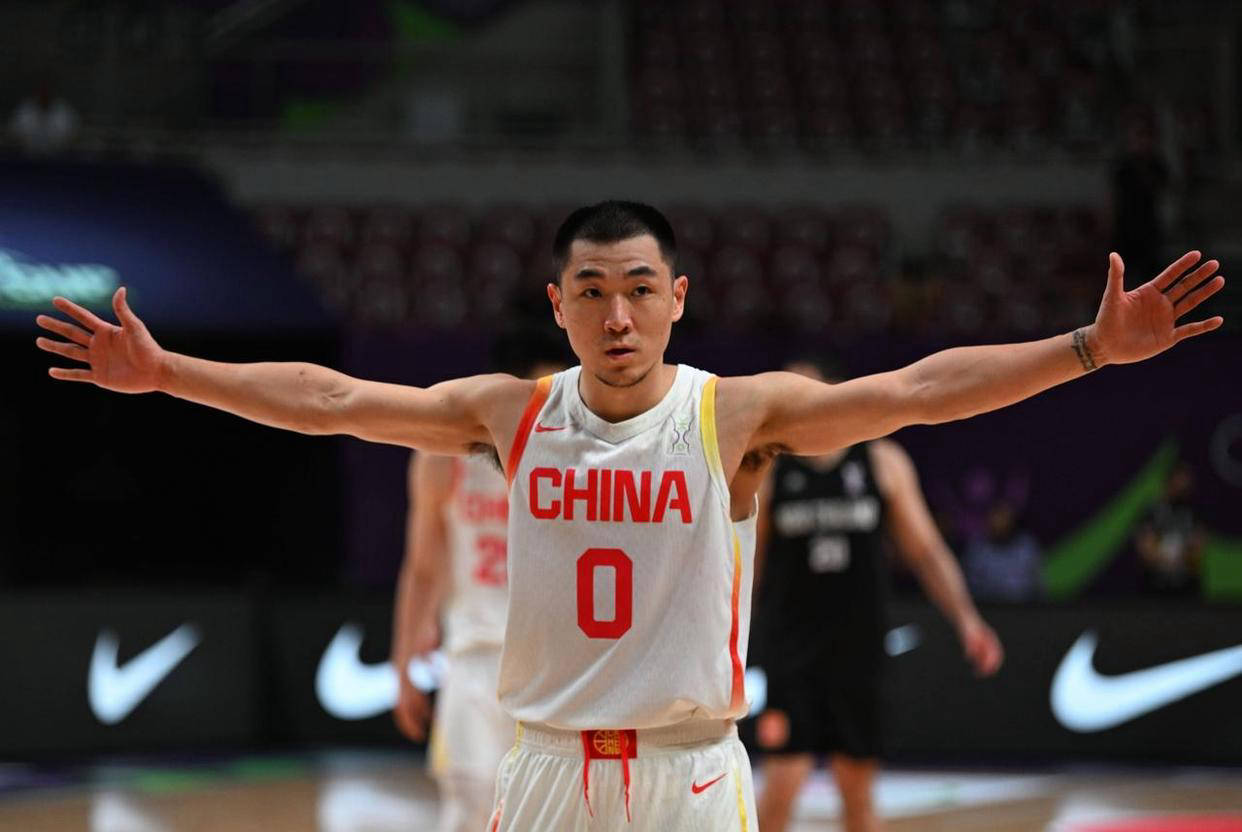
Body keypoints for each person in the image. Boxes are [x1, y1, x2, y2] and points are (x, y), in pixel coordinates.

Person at [34, 201, 1224, 831]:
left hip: (688, 774)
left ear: (678, 300)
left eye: (640, 289)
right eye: (593, 292)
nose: (617, 316)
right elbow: (333, 399)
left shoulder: (733, 414)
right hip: (548, 764)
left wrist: (1086, 349)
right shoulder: (509, 414)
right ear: (558, 304)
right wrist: (171, 373)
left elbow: (916, 390)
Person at [750, 356, 1005, 832]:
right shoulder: (769, 471)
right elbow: (750, 567)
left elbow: (926, 552)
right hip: (790, 649)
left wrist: (967, 618)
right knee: (780, 785)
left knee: (858, 792)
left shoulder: (882, 462)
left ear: (831, 394)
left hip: (859, 648)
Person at [390, 327, 567, 832]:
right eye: (539, 391)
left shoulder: (575, 449)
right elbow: (423, 567)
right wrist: (404, 662)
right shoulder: (444, 453)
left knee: (553, 815)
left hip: (556, 665)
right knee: (470, 808)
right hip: (474, 657)